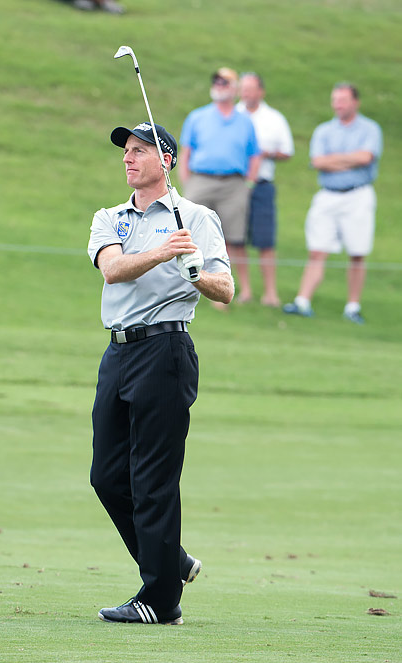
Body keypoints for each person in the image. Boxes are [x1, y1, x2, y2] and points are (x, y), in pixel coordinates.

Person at [88, 121, 234, 625]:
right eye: (125, 151)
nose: (127, 158)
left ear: (165, 160)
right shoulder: (110, 218)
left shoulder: (197, 216)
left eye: (138, 151)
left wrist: (197, 272)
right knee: (106, 477)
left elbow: (225, 290)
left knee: (152, 479)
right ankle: (172, 565)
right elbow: (113, 269)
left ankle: (160, 599)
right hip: (119, 352)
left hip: (166, 350)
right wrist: (165, 253)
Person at [283, 83, 383, 323]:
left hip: (358, 194)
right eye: (335, 100)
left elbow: (366, 157)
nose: (338, 104)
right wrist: (350, 160)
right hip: (328, 194)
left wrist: (335, 160)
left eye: (343, 100)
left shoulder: (370, 129)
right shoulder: (324, 130)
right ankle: (302, 301)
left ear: (355, 102)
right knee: (317, 249)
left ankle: (352, 306)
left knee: (357, 252)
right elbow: (318, 162)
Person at [179, 67, 261, 306]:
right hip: (201, 180)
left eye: (225, 82)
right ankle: (190, 286)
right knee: (190, 233)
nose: (219, 85)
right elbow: (186, 152)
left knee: (234, 238)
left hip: (234, 183)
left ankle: (237, 289)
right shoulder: (198, 116)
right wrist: (188, 181)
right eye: (216, 81)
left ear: (235, 89)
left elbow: (255, 155)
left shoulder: (245, 121)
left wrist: (249, 183)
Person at [236, 72, 294, 307]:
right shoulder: (233, 115)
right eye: (243, 88)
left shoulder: (274, 118)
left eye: (250, 89)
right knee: (236, 237)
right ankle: (245, 290)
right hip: (235, 185)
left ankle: (270, 293)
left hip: (262, 184)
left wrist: (263, 153)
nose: (246, 93)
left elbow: (287, 150)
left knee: (265, 239)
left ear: (261, 91)